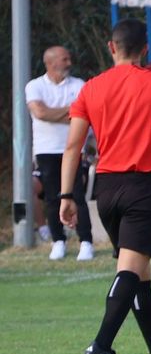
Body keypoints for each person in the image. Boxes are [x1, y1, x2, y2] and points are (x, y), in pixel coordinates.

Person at [58, 18, 151, 354]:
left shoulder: (91, 88)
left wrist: (67, 195)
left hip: (106, 188)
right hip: (143, 186)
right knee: (129, 268)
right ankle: (101, 344)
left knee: (139, 270)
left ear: (111, 47)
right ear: (145, 49)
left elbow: (72, 147)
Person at [26, 46, 92, 260]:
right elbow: (40, 112)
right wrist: (71, 109)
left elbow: (84, 114)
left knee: (78, 196)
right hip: (46, 150)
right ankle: (59, 241)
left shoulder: (79, 85)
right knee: (53, 198)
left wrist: (62, 113)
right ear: (50, 62)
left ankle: (86, 242)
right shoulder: (34, 86)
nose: (69, 63)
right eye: (65, 59)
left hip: (73, 149)